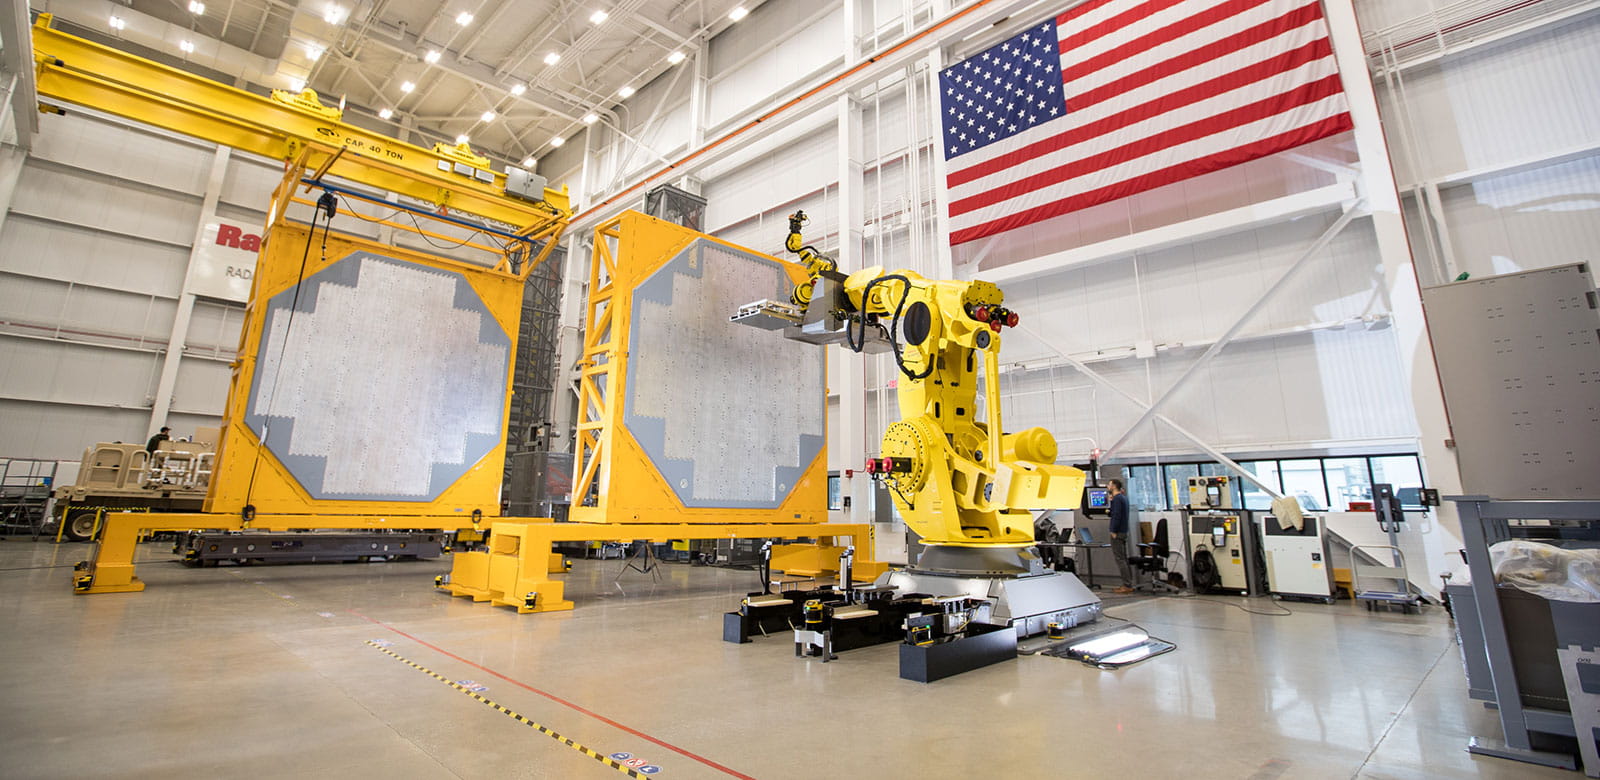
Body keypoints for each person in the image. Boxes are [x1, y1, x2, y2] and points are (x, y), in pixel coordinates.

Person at [1107, 478, 1134, 594]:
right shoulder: (1123, 498)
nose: (1108, 487)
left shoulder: (1118, 499)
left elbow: (1116, 515)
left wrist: (1113, 530)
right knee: (1124, 558)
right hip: (1123, 531)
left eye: (1109, 485)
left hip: (1117, 532)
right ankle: (1128, 582)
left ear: (1114, 486)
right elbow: (1114, 513)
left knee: (1120, 559)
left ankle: (1127, 585)